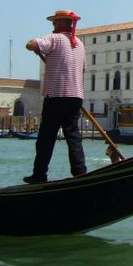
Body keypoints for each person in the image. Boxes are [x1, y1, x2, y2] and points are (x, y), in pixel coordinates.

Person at [23, 10, 87, 184]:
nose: (52, 27)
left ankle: (39, 174)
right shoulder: (80, 44)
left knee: (46, 137)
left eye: (53, 24)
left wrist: (32, 46)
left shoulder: (55, 39)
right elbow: (82, 69)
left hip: (56, 95)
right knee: (73, 136)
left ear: (59, 24)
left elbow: (31, 44)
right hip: (76, 96)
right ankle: (80, 172)